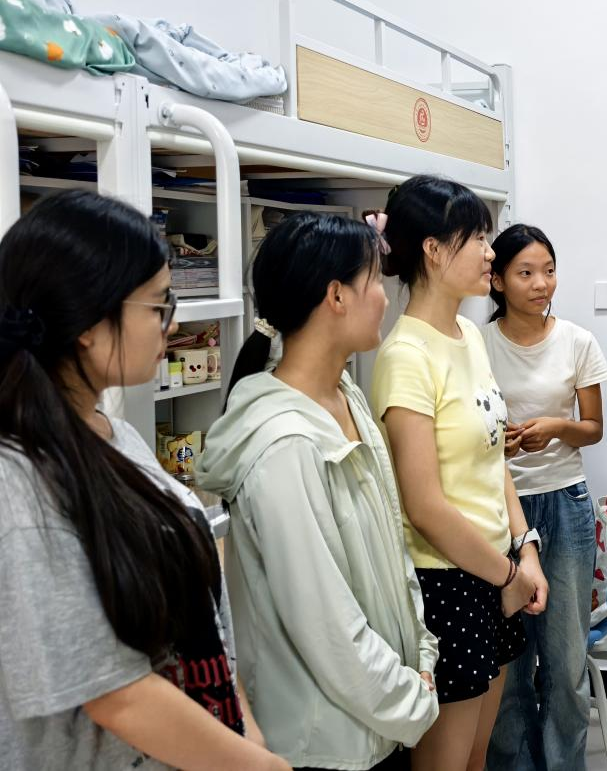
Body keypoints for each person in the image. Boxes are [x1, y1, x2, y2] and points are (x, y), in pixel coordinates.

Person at [0, 190, 284, 771]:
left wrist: (246, 733)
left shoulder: (113, 434)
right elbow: (117, 695)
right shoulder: (20, 485)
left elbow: (204, 626)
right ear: (88, 323)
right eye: (158, 305)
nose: (171, 322)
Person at [197, 212, 440, 770]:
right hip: (326, 743)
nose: (384, 297)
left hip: (378, 720)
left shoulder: (346, 396)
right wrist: (411, 701)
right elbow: (325, 623)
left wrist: (420, 657)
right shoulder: (285, 445)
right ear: (336, 296)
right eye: (374, 281)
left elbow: (390, 550)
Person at [369, 177, 548, 771]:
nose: (490, 252)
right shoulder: (406, 356)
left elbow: (494, 458)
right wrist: (507, 574)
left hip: (495, 569)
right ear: (433, 249)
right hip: (446, 583)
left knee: (477, 758)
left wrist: (525, 548)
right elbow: (424, 507)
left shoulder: (468, 334)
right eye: (476, 238)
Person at [481, 224, 607, 771]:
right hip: (498, 510)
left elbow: (594, 428)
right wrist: (500, 442)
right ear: (497, 281)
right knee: (509, 665)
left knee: (565, 661)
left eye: (549, 271)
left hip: (565, 504)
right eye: (526, 273)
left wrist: (557, 427)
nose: (541, 284)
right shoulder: (477, 344)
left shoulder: (577, 341)